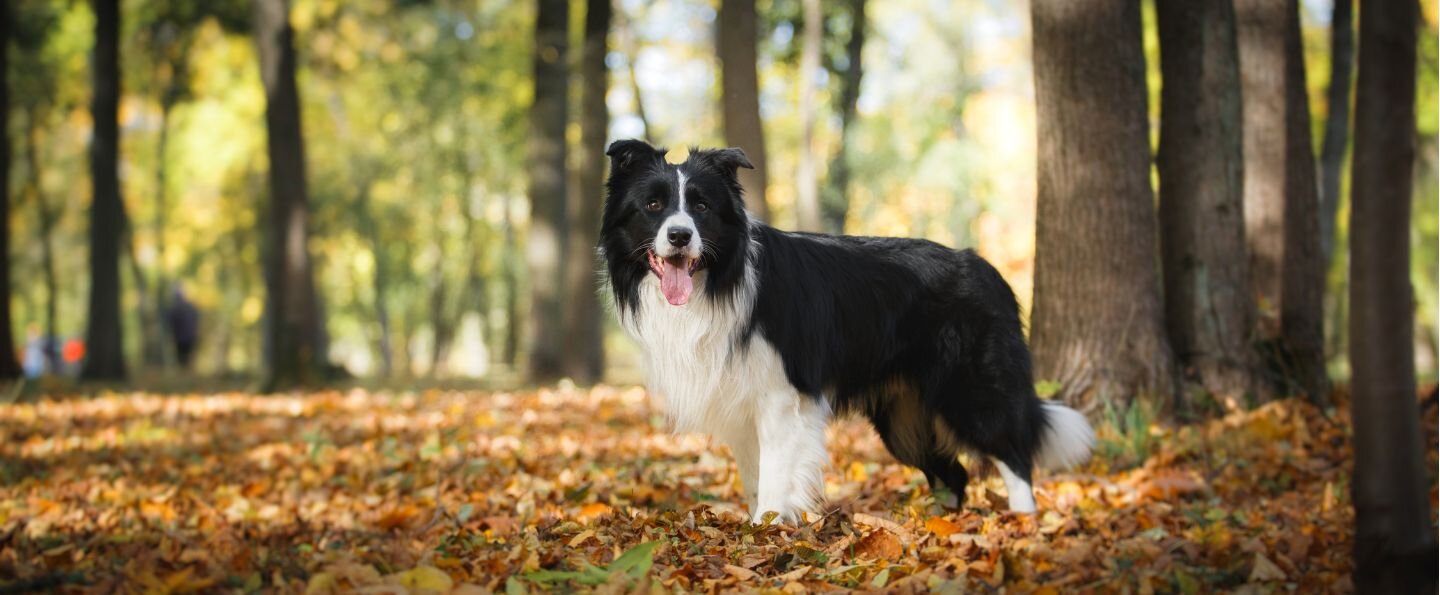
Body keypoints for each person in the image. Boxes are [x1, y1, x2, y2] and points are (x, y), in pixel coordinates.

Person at [165, 285, 200, 369]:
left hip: (181, 337)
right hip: (189, 336)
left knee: (182, 357)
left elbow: (170, 322)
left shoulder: (175, 308)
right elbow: (196, 318)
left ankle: (184, 372)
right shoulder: (191, 307)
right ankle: (186, 372)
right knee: (186, 357)